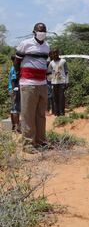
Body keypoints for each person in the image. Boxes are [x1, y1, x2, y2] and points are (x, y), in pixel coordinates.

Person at [14, 23, 49, 153]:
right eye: (40, 31)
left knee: (41, 114)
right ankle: (28, 144)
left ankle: (41, 141)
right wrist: (18, 76)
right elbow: (17, 61)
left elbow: (45, 63)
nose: (42, 33)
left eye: (44, 31)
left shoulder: (46, 46)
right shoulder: (25, 44)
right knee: (28, 115)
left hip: (42, 84)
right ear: (34, 32)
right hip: (28, 83)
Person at [48, 49, 69, 116]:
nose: (55, 54)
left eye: (56, 53)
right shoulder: (51, 63)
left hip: (62, 82)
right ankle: (56, 113)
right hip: (54, 82)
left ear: (58, 53)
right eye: (53, 53)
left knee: (61, 98)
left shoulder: (63, 61)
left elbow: (66, 72)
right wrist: (51, 80)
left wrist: (67, 81)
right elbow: (49, 73)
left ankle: (62, 113)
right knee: (55, 98)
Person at [8, 55, 20, 132]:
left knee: (13, 109)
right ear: (14, 60)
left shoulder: (12, 68)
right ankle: (17, 127)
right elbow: (13, 80)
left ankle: (13, 127)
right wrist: (15, 90)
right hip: (14, 90)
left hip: (11, 90)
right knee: (16, 109)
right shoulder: (14, 69)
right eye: (17, 60)